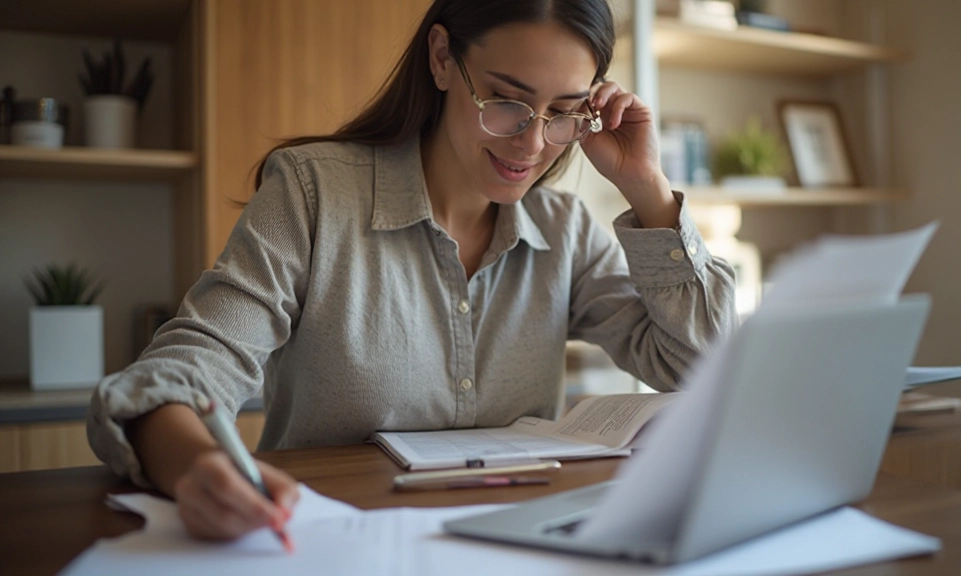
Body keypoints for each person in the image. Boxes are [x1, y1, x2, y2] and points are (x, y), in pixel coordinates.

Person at [87, 0, 736, 542]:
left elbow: (702, 369)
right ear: (442, 58)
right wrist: (198, 466)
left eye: (565, 112)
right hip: (330, 542)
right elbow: (179, 374)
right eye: (507, 101)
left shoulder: (564, 230)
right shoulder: (313, 195)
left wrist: (648, 188)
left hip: (513, 544)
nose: (533, 143)